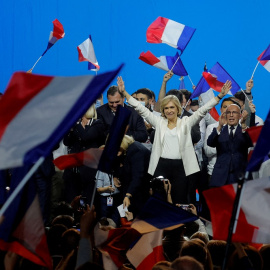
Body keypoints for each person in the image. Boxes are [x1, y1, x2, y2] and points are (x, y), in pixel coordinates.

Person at [117, 76, 232, 204]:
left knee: (179, 199)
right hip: (161, 166)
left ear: (177, 108)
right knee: (160, 200)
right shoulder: (159, 122)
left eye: (172, 107)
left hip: (181, 167)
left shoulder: (186, 122)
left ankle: (178, 224)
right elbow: (140, 108)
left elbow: (202, 111)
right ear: (163, 110)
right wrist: (124, 93)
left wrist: (220, 96)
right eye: (166, 108)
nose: (169, 110)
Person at [207, 104, 253, 187]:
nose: (231, 115)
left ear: (240, 115)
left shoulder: (244, 130)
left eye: (234, 112)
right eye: (228, 112)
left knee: (239, 200)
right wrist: (219, 126)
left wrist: (243, 125)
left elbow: (250, 142)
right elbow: (210, 143)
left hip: (240, 175)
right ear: (225, 115)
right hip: (221, 176)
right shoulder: (219, 130)